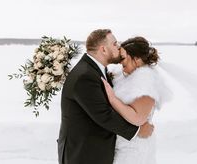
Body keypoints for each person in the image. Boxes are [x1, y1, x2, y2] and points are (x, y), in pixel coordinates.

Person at [57, 29, 154, 164]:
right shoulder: (85, 76)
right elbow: (103, 114)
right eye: (114, 44)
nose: (118, 46)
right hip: (83, 154)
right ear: (103, 49)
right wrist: (137, 131)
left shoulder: (94, 70)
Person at [102, 36, 172, 164]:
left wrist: (112, 99)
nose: (120, 62)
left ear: (137, 59)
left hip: (134, 149)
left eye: (123, 58)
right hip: (124, 143)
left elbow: (138, 118)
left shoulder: (146, 81)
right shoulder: (127, 74)